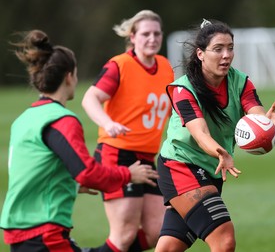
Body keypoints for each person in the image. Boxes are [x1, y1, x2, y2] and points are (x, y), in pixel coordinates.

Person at [0, 30, 159, 252]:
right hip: (44, 233)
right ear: (69, 77)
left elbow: (35, 170)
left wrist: (71, 184)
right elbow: (88, 172)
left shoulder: (24, 119)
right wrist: (128, 174)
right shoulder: (62, 120)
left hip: (19, 233)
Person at [154, 19, 275, 252]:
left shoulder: (240, 81)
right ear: (200, 54)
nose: (226, 55)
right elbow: (199, 133)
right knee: (224, 239)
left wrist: (265, 122)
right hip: (181, 167)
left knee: (169, 247)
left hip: (211, 170)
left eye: (230, 47)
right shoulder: (182, 89)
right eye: (218, 49)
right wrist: (220, 152)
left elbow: (253, 108)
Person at [81, 10, 174, 252]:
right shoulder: (120, 65)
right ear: (132, 37)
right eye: (145, 34)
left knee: (157, 232)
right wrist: (107, 122)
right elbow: (90, 98)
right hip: (117, 154)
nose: (152, 38)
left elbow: (177, 106)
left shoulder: (165, 67)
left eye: (156, 33)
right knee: (123, 235)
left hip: (147, 158)